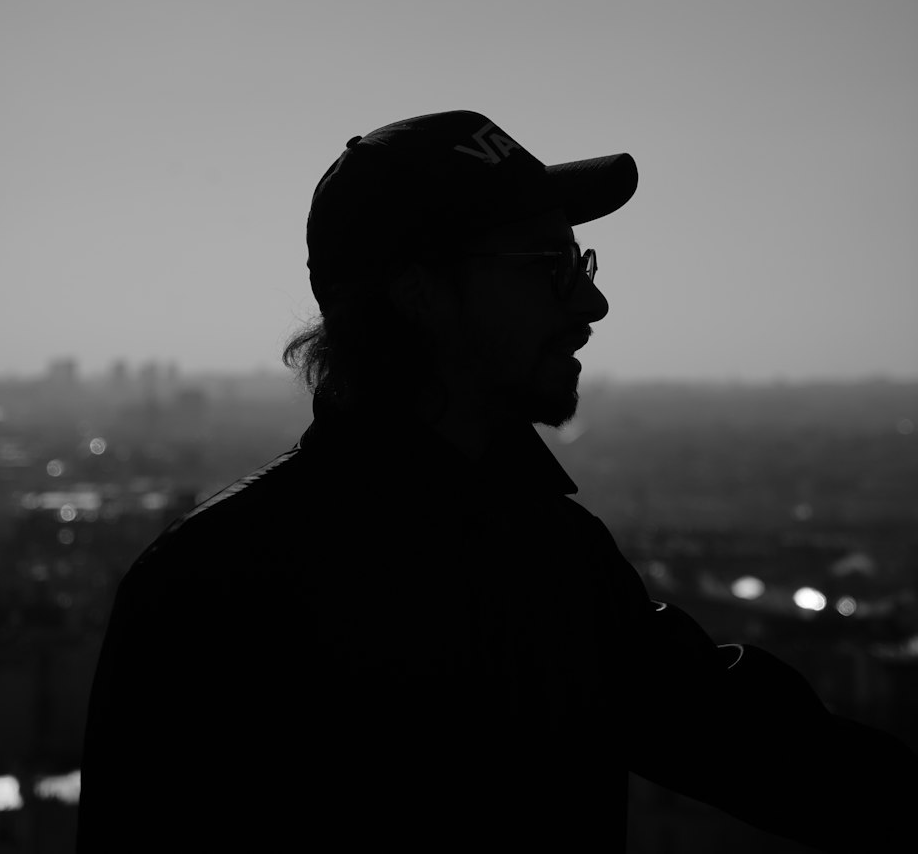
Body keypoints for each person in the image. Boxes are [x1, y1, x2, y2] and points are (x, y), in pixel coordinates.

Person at [76, 110, 914, 852]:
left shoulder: (550, 554)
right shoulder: (218, 594)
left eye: (578, 259)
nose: (592, 302)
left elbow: (757, 746)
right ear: (422, 294)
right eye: (549, 265)